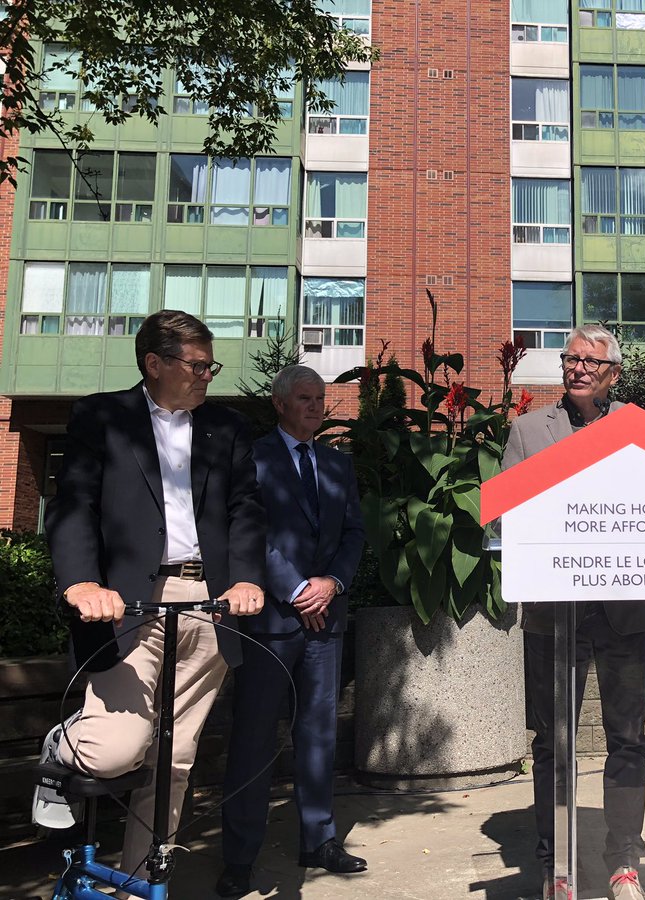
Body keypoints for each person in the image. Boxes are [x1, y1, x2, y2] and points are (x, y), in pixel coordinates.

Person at [36, 310, 265, 878]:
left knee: (175, 759)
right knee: (115, 749)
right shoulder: (101, 416)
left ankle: (142, 883)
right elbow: (74, 504)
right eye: (197, 365)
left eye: (211, 366)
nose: (207, 375)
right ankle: (64, 745)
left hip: (210, 602)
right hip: (129, 601)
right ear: (154, 363)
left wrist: (245, 578)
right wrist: (81, 582)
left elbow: (245, 509)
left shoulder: (228, 428)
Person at [502, 324, 645, 900]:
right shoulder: (527, 429)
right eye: (571, 359)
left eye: (592, 361)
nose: (579, 368)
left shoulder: (639, 429)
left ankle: (623, 862)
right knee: (552, 742)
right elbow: (507, 511)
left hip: (622, 611)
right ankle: (557, 865)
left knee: (627, 740)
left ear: (613, 372)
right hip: (553, 613)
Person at [217, 366, 366, 897]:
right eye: (305, 398)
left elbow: (354, 532)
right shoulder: (251, 458)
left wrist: (332, 583)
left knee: (319, 735)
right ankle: (239, 857)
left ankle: (319, 840)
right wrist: (298, 588)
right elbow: (247, 531)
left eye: (320, 398)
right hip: (270, 622)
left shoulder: (337, 463)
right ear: (279, 404)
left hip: (326, 621)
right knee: (253, 739)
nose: (315, 406)